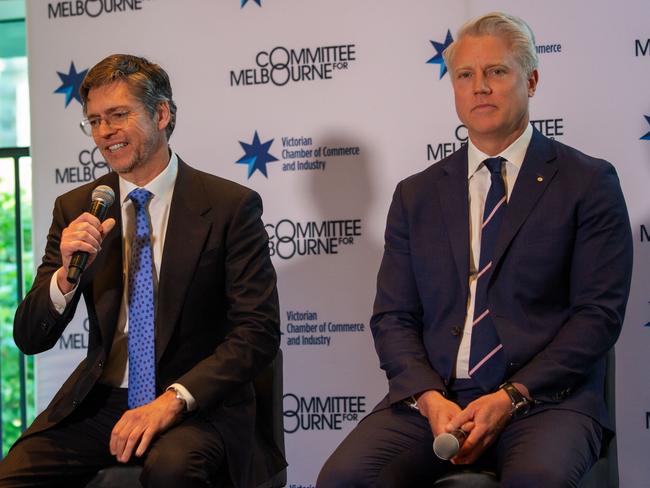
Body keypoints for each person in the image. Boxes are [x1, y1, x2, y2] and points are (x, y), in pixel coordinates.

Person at [318, 11, 632, 487]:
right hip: (438, 401)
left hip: (545, 401)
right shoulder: (416, 194)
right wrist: (428, 397)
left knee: (538, 479)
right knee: (343, 478)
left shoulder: (587, 182)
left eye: (496, 72)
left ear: (532, 80)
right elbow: (393, 317)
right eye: (465, 75)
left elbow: (597, 316)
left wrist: (512, 396)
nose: (479, 86)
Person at [0, 54, 285, 488]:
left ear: (162, 113)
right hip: (103, 402)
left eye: (118, 115)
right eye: (94, 121)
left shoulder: (229, 207)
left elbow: (257, 332)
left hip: (196, 404)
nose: (104, 132)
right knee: (13, 475)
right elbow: (30, 337)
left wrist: (173, 400)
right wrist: (65, 278)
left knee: (171, 471)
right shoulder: (78, 208)